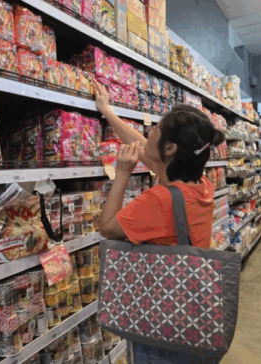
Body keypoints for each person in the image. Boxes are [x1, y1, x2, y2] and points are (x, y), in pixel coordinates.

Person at [94, 82, 226, 364]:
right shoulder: (201, 184)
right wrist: (108, 112)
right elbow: (145, 149)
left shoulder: (160, 199)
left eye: (154, 130)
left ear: (169, 148)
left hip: (160, 322)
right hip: (191, 312)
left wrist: (122, 174)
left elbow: (107, 227)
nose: (148, 135)